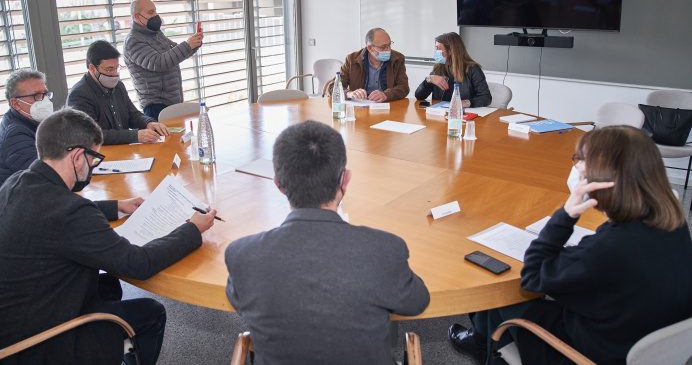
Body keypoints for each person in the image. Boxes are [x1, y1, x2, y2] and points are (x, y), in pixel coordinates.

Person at [0, 108, 217, 365]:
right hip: (33, 347)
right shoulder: (70, 211)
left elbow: (53, 217)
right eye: (94, 159)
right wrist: (193, 229)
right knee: (152, 312)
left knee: (108, 285)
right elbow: (139, 264)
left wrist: (117, 206)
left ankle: (114, 350)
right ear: (78, 157)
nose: (92, 167)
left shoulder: (15, 184)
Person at [448, 126, 692, 365]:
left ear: (605, 176)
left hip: (590, 351)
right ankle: (480, 341)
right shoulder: (671, 220)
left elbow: (532, 277)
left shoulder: (608, 248)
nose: (575, 167)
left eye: (581, 161)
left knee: (502, 292)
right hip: (639, 335)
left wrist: (565, 216)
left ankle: (485, 346)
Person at [225, 120, 430, 364]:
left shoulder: (243, 255)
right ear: (345, 180)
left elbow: (241, 300)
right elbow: (417, 302)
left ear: (278, 185)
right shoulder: (385, 250)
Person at [67, 40, 170, 145]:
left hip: (125, 150)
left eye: (117, 68)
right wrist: (134, 135)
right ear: (92, 68)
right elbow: (91, 135)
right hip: (101, 155)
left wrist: (149, 123)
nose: (114, 74)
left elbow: (133, 114)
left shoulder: (118, 86)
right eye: (109, 69)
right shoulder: (79, 94)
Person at [123, 0, 204, 120]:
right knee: (163, 139)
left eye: (155, 11)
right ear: (137, 17)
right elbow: (158, 63)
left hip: (173, 100)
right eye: (151, 12)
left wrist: (194, 44)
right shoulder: (133, 41)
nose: (156, 15)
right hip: (156, 105)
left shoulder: (156, 34)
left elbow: (175, 52)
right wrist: (187, 45)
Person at [0, 68, 54, 200]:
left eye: (45, 94)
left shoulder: (34, 122)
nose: (44, 101)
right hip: (16, 209)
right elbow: (46, 174)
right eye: (36, 96)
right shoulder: (14, 134)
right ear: (16, 103)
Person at [330, 27, 409, 102]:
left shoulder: (397, 59)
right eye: (383, 47)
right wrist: (349, 93)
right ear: (370, 48)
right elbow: (332, 87)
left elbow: (404, 87)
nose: (388, 50)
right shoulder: (352, 60)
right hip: (360, 107)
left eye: (389, 45)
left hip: (386, 105)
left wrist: (386, 95)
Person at [415, 32, 492, 108]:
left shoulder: (472, 69)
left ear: (451, 51)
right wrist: (429, 79)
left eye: (439, 48)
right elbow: (419, 96)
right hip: (440, 113)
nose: (436, 51)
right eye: (436, 48)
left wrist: (465, 103)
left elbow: (486, 97)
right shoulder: (438, 68)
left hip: (463, 114)